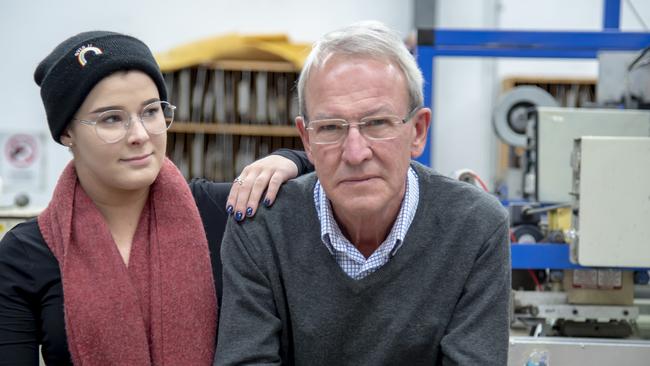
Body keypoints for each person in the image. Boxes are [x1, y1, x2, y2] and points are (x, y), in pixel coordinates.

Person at [0, 31, 311, 365]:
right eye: (111, 119)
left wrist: (292, 160)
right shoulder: (26, 253)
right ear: (66, 133)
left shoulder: (225, 211)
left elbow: (335, 184)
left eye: (150, 111)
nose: (139, 135)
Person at [215, 21, 511, 365]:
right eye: (330, 128)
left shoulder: (476, 228)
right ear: (307, 140)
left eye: (377, 123)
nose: (355, 153)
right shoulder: (260, 228)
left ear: (417, 131)